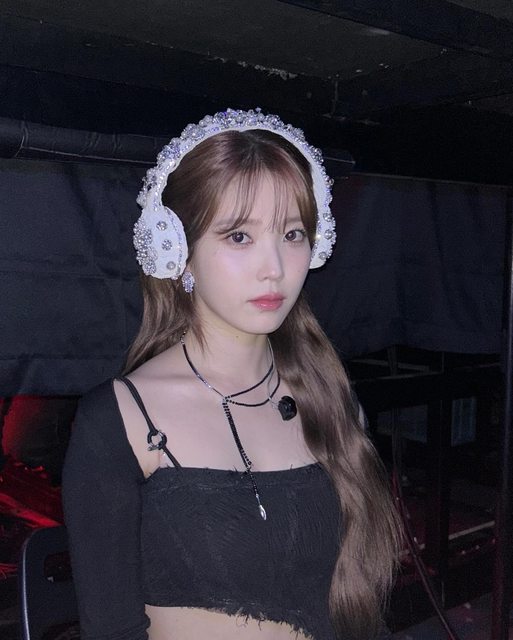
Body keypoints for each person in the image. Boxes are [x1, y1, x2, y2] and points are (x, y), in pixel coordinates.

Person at [63, 108, 401, 640]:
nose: (274, 267)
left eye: (292, 234)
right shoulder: (119, 421)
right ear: (179, 250)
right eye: (239, 236)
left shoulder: (330, 397)